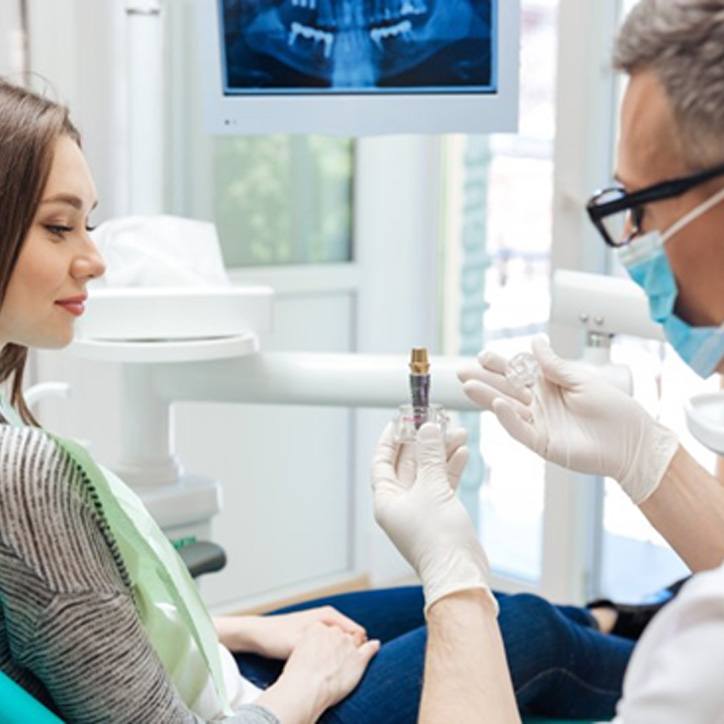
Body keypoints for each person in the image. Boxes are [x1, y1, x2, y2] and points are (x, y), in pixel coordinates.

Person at [0, 78, 644, 724]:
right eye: (59, 227)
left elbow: (94, 635)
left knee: (500, 607)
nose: (94, 259)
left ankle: (634, 619)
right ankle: (684, 661)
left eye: (89, 224)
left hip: (214, 674)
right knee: (523, 633)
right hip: (249, 711)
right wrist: (306, 685)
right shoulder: (25, 474)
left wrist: (246, 629)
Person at [372, 0, 724, 721]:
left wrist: (455, 581)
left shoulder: (700, 664)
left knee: (530, 629)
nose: (632, 244)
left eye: (642, 207)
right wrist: (644, 456)